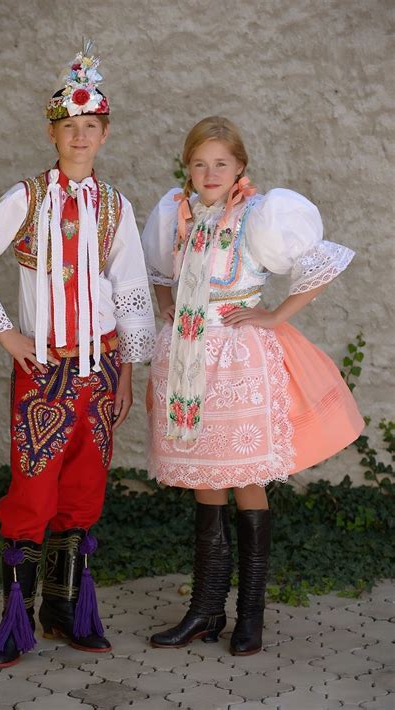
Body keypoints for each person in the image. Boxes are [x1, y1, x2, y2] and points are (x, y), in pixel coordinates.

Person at [0, 41, 155, 668]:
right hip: (42, 371)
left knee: (84, 489)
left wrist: (124, 371)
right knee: (33, 493)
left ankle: (68, 609)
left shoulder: (116, 207)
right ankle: (16, 619)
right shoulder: (28, 198)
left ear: (105, 133)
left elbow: (131, 290)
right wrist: (8, 334)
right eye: (69, 127)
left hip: (98, 368)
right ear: (53, 131)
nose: (79, 136)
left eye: (90, 127)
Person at [142, 115, 363, 656]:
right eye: (199, 163)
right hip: (186, 362)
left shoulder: (261, 215)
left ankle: (250, 616)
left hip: (238, 364)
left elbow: (321, 265)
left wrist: (274, 316)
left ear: (240, 166)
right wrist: (166, 303)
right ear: (187, 169)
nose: (209, 172)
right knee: (205, 480)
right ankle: (204, 610)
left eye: (221, 163)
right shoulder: (175, 211)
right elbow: (159, 272)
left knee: (244, 479)